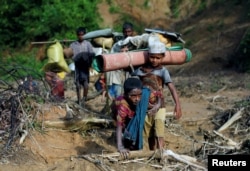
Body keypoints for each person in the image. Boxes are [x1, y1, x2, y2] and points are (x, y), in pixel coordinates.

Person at [131, 41, 182, 150]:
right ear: (148, 56)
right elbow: (131, 82)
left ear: (163, 57)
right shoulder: (140, 70)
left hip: (160, 106)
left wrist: (177, 105)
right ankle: (152, 153)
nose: (154, 60)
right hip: (144, 107)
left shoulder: (163, 71)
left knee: (159, 132)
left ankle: (161, 154)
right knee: (149, 134)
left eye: (158, 58)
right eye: (152, 57)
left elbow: (171, 88)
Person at [111, 77, 143, 158]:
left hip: (129, 116)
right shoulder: (122, 106)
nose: (137, 99)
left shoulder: (139, 98)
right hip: (119, 118)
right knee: (123, 130)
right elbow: (119, 125)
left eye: (139, 95)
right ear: (126, 95)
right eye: (133, 96)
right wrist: (120, 147)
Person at [106, 22, 135, 100]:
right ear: (123, 32)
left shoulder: (137, 42)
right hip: (119, 73)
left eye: (129, 31)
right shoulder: (118, 45)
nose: (127, 34)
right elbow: (111, 57)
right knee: (118, 94)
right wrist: (120, 52)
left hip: (133, 71)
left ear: (132, 32)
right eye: (125, 32)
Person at [69, 27, 95, 106]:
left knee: (86, 83)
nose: (81, 36)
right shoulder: (73, 45)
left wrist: (89, 62)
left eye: (82, 35)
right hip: (77, 66)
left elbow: (92, 54)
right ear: (77, 35)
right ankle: (79, 100)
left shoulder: (88, 44)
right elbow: (70, 55)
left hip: (85, 66)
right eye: (79, 35)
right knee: (77, 84)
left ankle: (84, 98)